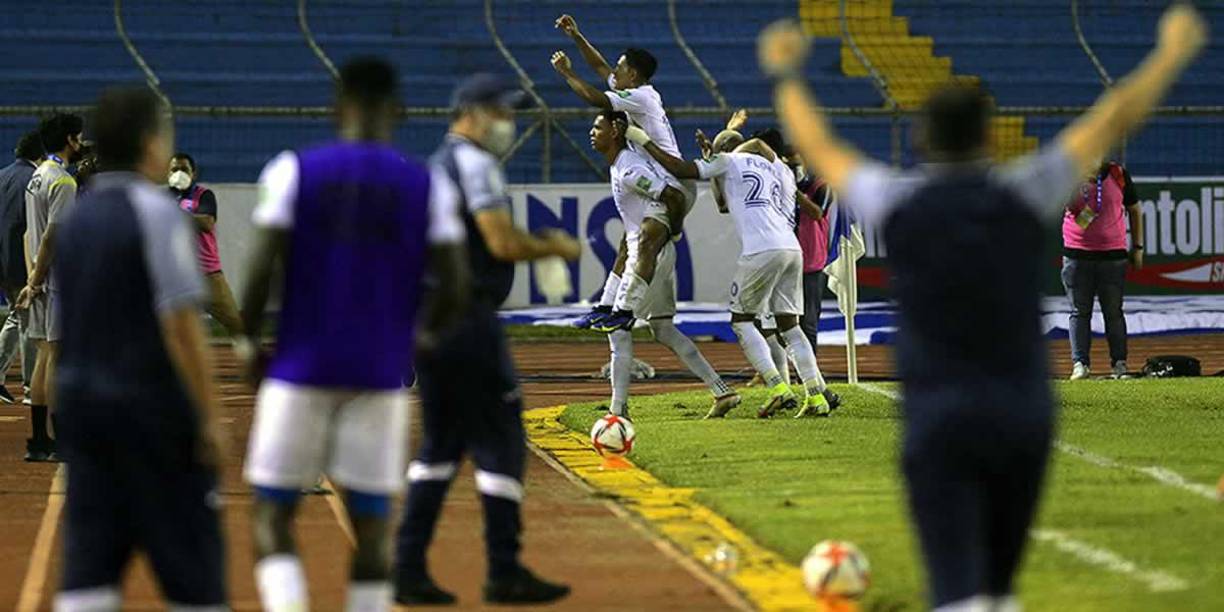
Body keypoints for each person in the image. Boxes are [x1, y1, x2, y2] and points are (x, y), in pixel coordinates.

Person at [758, 4, 1205, 609]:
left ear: (920, 139)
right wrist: (1172, 51)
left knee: (957, 590)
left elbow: (820, 146)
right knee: (997, 589)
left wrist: (786, 75)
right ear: (990, 136)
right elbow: (1112, 117)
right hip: (1023, 411)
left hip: (940, 416)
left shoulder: (896, 198)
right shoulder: (1024, 190)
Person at [238, 57, 468, 612]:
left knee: (272, 513)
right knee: (371, 522)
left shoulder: (292, 170)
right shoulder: (426, 184)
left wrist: (246, 340)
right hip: (380, 372)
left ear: (334, 107)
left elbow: (260, 268)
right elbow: (456, 282)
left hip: (301, 366)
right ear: (400, 111)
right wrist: (423, 340)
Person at [393, 74, 577, 606]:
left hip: (431, 318)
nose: (508, 124)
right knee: (501, 440)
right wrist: (550, 246)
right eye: (502, 112)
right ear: (472, 112)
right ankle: (503, 568)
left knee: (440, 449)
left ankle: (406, 566)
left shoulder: (435, 167)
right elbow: (497, 240)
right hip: (467, 319)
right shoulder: (474, 166)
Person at [53, 86, 227, 611]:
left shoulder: (75, 221)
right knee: (193, 574)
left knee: (88, 571)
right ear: (152, 143)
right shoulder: (156, 213)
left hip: (84, 412)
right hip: (148, 415)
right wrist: (210, 419)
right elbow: (181, 325)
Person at [624, 124, 833, 419]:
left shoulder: (730, 160)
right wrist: (716, 163)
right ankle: (815, 397)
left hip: (761, 249)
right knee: (791, 326)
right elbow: (724, 204)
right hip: (791, 250)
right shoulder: (782, 170)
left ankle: (778, 387)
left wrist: (643, 140)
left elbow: (679, 168)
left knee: (742, 321)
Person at [588, 110, 741, 420]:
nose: (592, 132)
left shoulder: (629, 168)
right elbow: (633, 229)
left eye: (597, 127)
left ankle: (618, 411)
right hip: (651, 253)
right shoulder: (622, 165)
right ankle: (722, 391)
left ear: (615, 132)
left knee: (618, 330)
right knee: (663, 328)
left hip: (652, 257)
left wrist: (672, 231)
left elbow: (672, 195)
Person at [551, 14, 694, 331]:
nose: (613, 72)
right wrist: (577, 35)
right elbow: (602, 68)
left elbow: (595, 97)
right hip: (660, 175)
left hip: (673, 181)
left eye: (620, 68)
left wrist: (567, 73)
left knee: (643, 241)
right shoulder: (636, 91)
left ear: (633, 73)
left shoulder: (641, 97)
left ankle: (625, 311)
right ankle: (606, 306)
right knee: (628, 244)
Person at [20, 112, 85, 461]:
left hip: (42, 277)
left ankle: (38, 440)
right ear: (69, 140)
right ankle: (60, 439)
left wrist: (32, 277)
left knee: (45, 354)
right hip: (56, 278)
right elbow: (52, 236)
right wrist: (37, 278)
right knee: (57, 358)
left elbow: (30, 233)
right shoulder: (64, 183)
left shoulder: (37, 175)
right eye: (78, 136)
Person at [1061, 159, 1142, 380]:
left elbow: (1135, 209)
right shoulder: (1070, 175)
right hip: (1077, 256)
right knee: (1079, 312)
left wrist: (1138, 247)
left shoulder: (1119, 174)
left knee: (1114, 313)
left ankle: (1119, 364)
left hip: (1112, 257)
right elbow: (1080, 219)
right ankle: (1080, 364)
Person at [168, 153, 244, 338]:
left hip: (207, 275)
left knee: (237, 326)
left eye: (184, 169)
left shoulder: (203, 195)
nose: (179, 173)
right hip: (177, 275)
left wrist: (172, 212)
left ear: (193, 173)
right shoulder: (164, 198)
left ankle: (254, 363)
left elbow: (207, 222)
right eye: (174, 169)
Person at [0, 130, 42, 405]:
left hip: (3, 258)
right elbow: (23, 224)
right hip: (19, 259)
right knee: (30, 320)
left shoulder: (3, 175)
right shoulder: (32, 179)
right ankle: (30, 386)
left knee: (18, 317)